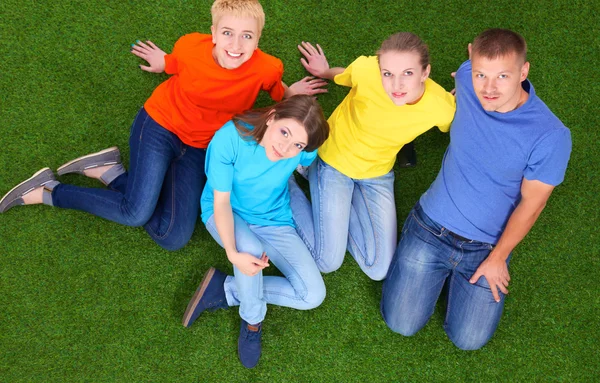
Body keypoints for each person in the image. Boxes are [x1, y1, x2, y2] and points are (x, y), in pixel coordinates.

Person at [0, 0, 326, 251]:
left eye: (247, 36)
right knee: (135, 213)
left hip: (201, 147)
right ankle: (49, 191)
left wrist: (291, 94)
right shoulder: (189, 47)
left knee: (172, 237)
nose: (236, 45)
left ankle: (109, 170)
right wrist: (165, 63)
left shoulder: (267, 67)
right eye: (227, 33)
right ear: (213, 33)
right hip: (160, 126)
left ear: (258, 39)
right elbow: (177, 62)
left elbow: (276, 93)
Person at [380, 29, 572, 350]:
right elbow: (466, 75)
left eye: (502, 76)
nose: (489, 88)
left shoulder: (551, 136)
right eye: (482, 74)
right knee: (400, 323)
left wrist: (498, 257)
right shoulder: (468, 77)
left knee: (468, 340)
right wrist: (466, 78)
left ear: (523, 72)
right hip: (431, 226)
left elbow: (532, 205)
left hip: (486, 247)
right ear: (471, 59)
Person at [289, 32, 456, 281]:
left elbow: (461, 125)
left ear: (425, 72)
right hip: (335, 160)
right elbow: (345, 75)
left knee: (378, 269)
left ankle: (316, 181)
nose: (396, 85)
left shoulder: (440, 105)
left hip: (376, 174)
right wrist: (325, 72)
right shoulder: (367, 71)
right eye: (387, 73)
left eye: (408, 73)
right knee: (327, 261)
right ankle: (287, 184)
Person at [181, 95, 329, 368]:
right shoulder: (231, 138)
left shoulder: (304, 150)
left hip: (274, 218)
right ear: (272, 116)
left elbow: (304, 157)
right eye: (284, 132)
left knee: (312, 295)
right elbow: (221, 202)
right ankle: (252, 321)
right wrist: (232, 253)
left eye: (297, 144)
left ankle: (225, 289)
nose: (285, 147)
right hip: (225, 211)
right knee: (247, 251)